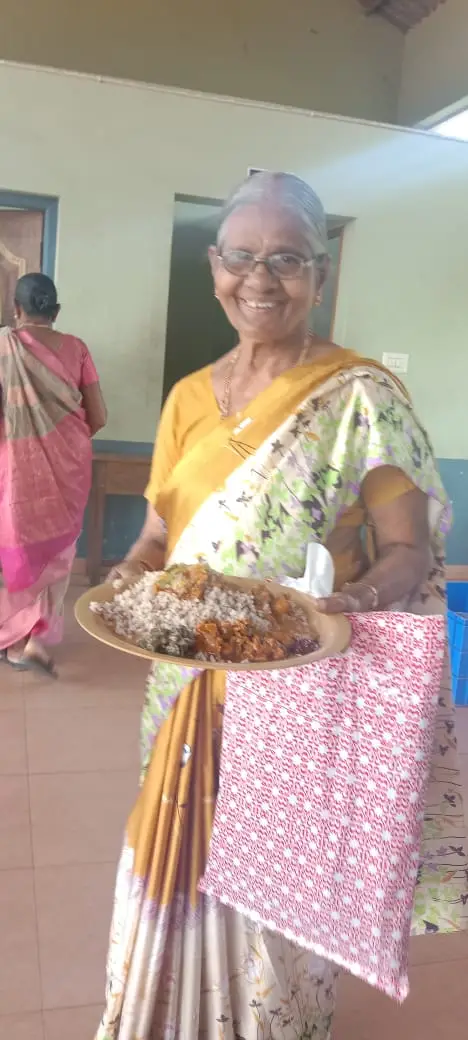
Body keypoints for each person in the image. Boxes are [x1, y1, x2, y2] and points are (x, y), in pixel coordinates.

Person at [96, 173, 467, 1040]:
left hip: (300, 690)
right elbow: (158, 538)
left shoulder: (360, 397)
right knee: (174, 847)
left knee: (281, 883)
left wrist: (349, 600)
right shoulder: (188, 398)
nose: (260, 279)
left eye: (288, 259)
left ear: (320, 276)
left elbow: (409, 551)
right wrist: (128, 577)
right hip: (184, 686)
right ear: (214, 268)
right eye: (243, 257)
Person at [0, 273, 107, 675]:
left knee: (18, 549)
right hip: (70, 467)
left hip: (16, 466)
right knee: (57, 551)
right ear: (56, 312)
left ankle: (14, 639)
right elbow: (99, 416)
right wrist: (62, 440)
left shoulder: (3, 348)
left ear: (16, 309)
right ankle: (34, 638)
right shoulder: (77, 349)